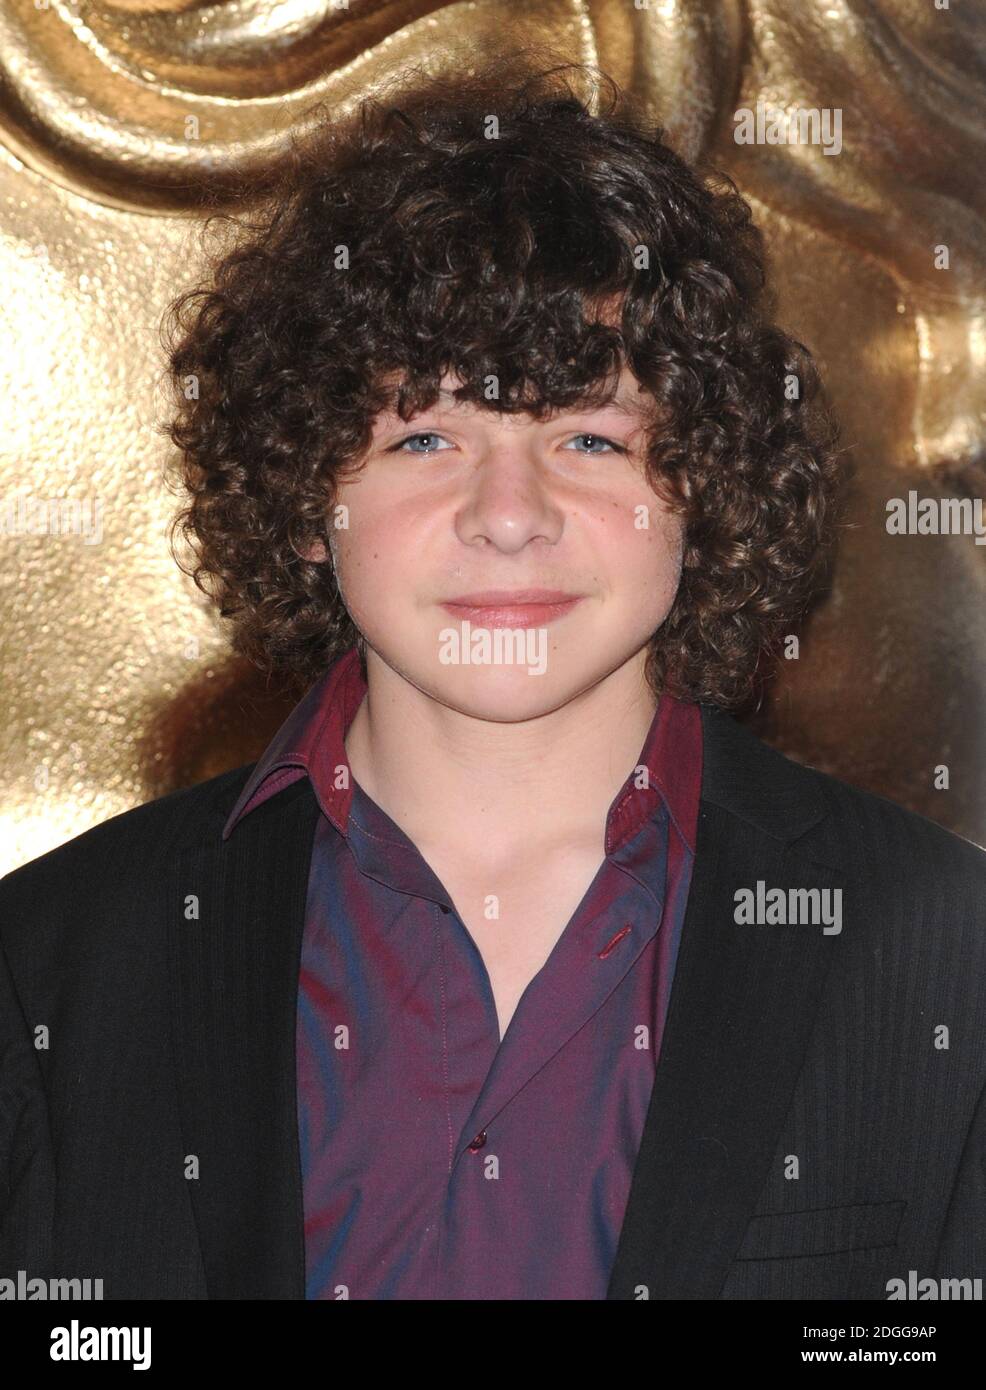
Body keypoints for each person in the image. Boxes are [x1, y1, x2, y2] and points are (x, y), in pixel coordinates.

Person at [2, 58, 985, 1302]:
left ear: (704, 482)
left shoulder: (946, 953)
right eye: (422, 435)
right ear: (309, 498)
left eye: (586, 435)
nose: (506, 516)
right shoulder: (54, 963)